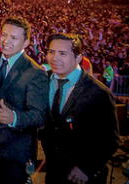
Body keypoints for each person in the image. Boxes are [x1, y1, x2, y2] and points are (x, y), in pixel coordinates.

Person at [40, 33, 119, 184]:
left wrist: (87, 167)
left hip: (82, 177)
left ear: (78, 58)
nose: (54, 58)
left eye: (62, 53)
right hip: (53, 170)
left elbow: (110, 140)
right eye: (51, 52)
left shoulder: (99, 93)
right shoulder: (44, 80)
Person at [0, 17, 49, 184]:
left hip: (17, 154)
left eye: (14, 38)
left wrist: (14, 117)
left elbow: (40, 115)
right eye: (4, 35)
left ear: (26, 42)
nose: (6, 41)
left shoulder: (35, 73)